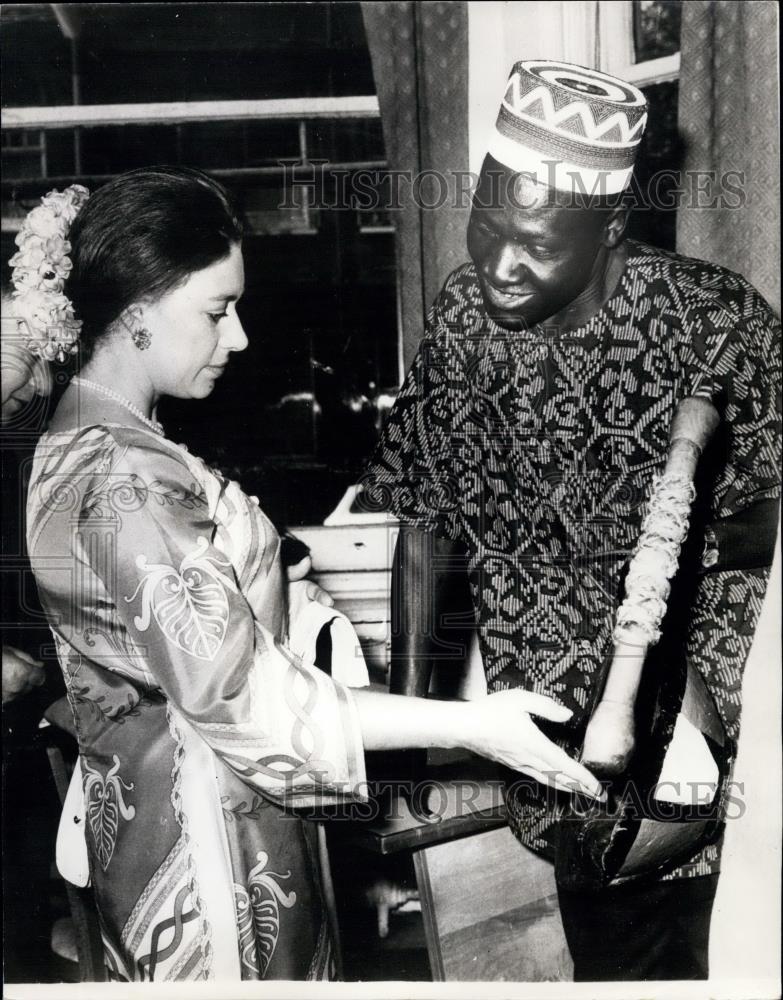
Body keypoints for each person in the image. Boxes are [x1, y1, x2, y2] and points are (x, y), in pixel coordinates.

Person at [20, 165, 604, 983]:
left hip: (172, 819)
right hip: (207, 852)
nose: (240, 339)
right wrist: (470, 726)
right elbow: (239, 694)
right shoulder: (123, 475)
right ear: (139, 311)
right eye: (217, 311)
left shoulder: (92, 439)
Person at [365, 60, 781, 981]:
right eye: (485, 226)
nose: (498, 266)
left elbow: (767, 523)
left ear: (610, 228)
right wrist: (413, 733)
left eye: (537, 245)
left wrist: (651, 548)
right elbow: (425, 522)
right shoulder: (465, 320)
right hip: (544, 739)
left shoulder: (711, 320)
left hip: (684, 737)